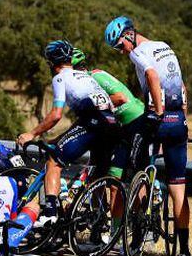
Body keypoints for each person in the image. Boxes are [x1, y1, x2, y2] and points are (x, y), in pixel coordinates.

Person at [105, 16, 192, 256]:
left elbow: (153, 77)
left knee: (137, 172)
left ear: (129, 35)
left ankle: (135, 241)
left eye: (120, 46)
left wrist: (158, 112)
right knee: (178, 186)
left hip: (158, 118)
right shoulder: (165, 46)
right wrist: (182, 116)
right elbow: (182, 86)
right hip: (179, 121)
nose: (122, 52)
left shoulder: (139, 52)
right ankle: (184, 252)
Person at [17, 40, 117, 227]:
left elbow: (56, 115)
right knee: (97, 176)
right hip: (111, 125)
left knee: (54, 161)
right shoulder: (85, 76)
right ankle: (98, 224)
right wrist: (60, 138)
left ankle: (50, 215)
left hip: (93, 124)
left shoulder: (60, 78)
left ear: (52, 63)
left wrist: (32, 133)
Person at [72, 47, 147, 241]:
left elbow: (120, 98)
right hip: (113, 130)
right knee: (99, 177)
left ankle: (126, 230)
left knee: (118, 181)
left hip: (134, 123)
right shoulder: (81, 88)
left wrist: (94, 104)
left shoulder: (95, 76)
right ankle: (98, 229)